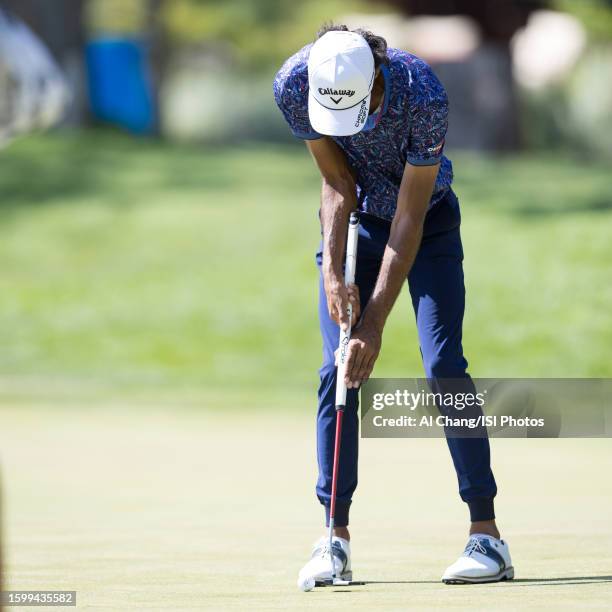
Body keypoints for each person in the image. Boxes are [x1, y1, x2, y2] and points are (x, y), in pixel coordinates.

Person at [273, 24, 513, 585]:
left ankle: (488, 537)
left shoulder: (422, 93)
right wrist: (333, 274)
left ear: (377, 80)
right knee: (339, 372)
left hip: (424, 225)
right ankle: (335, 538)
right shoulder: (295, 83)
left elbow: (409, 217)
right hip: (355, 224)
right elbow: (336, 178)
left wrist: (374, 323)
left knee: (443, 366)